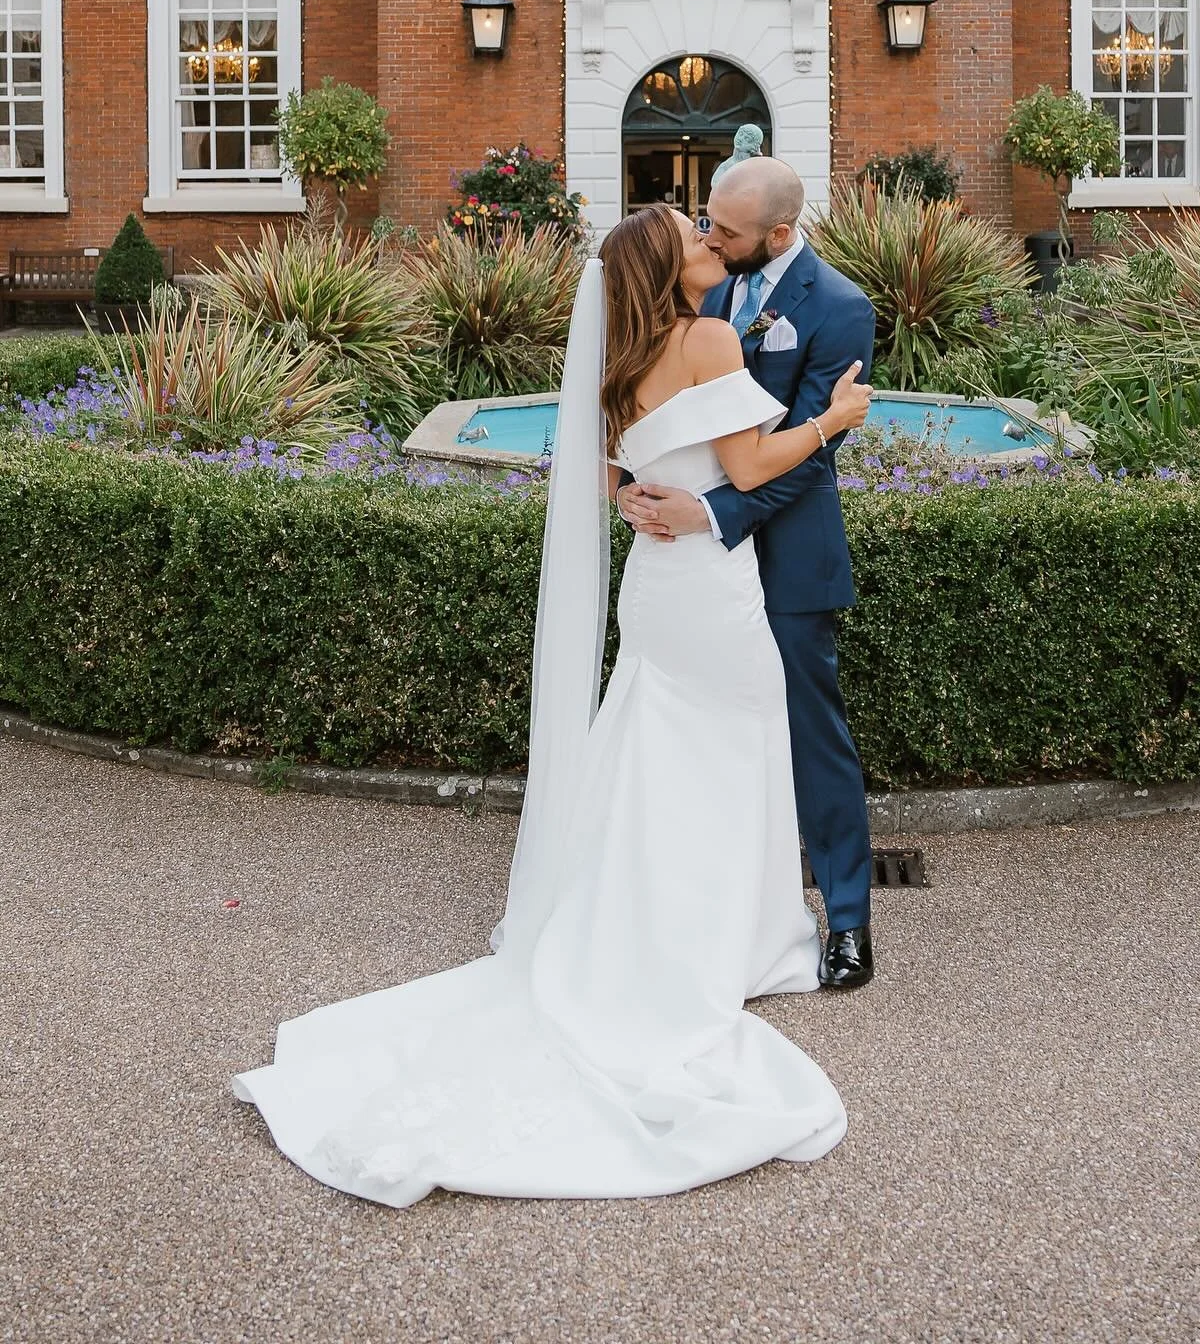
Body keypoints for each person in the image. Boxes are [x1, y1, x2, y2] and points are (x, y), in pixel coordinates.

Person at [231, 204, 873, 1207]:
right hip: (705, 588)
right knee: (730, 752)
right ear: (668, 268)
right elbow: (750, 467)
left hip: (656, 591)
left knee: (660, 751)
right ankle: (727, 938)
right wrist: (831, 423)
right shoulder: (705, 338)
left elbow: (623, 479)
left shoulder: (618, 370)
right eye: (695, 239)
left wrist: (645, 499)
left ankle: (679, 925)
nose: (712, 244)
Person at [619, 158, 878, 991]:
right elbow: (653, 414)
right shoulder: (695, 299)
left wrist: (715, 514)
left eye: (722, 230)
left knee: (812, 737)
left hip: (789, 553)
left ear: (775, 233)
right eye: (703, 221)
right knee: (702, 733)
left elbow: (814, 450)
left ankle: (847, 921)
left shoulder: (839, 308)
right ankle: (713, 912)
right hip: (692, 569)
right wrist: (635, 491)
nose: (706, 235)